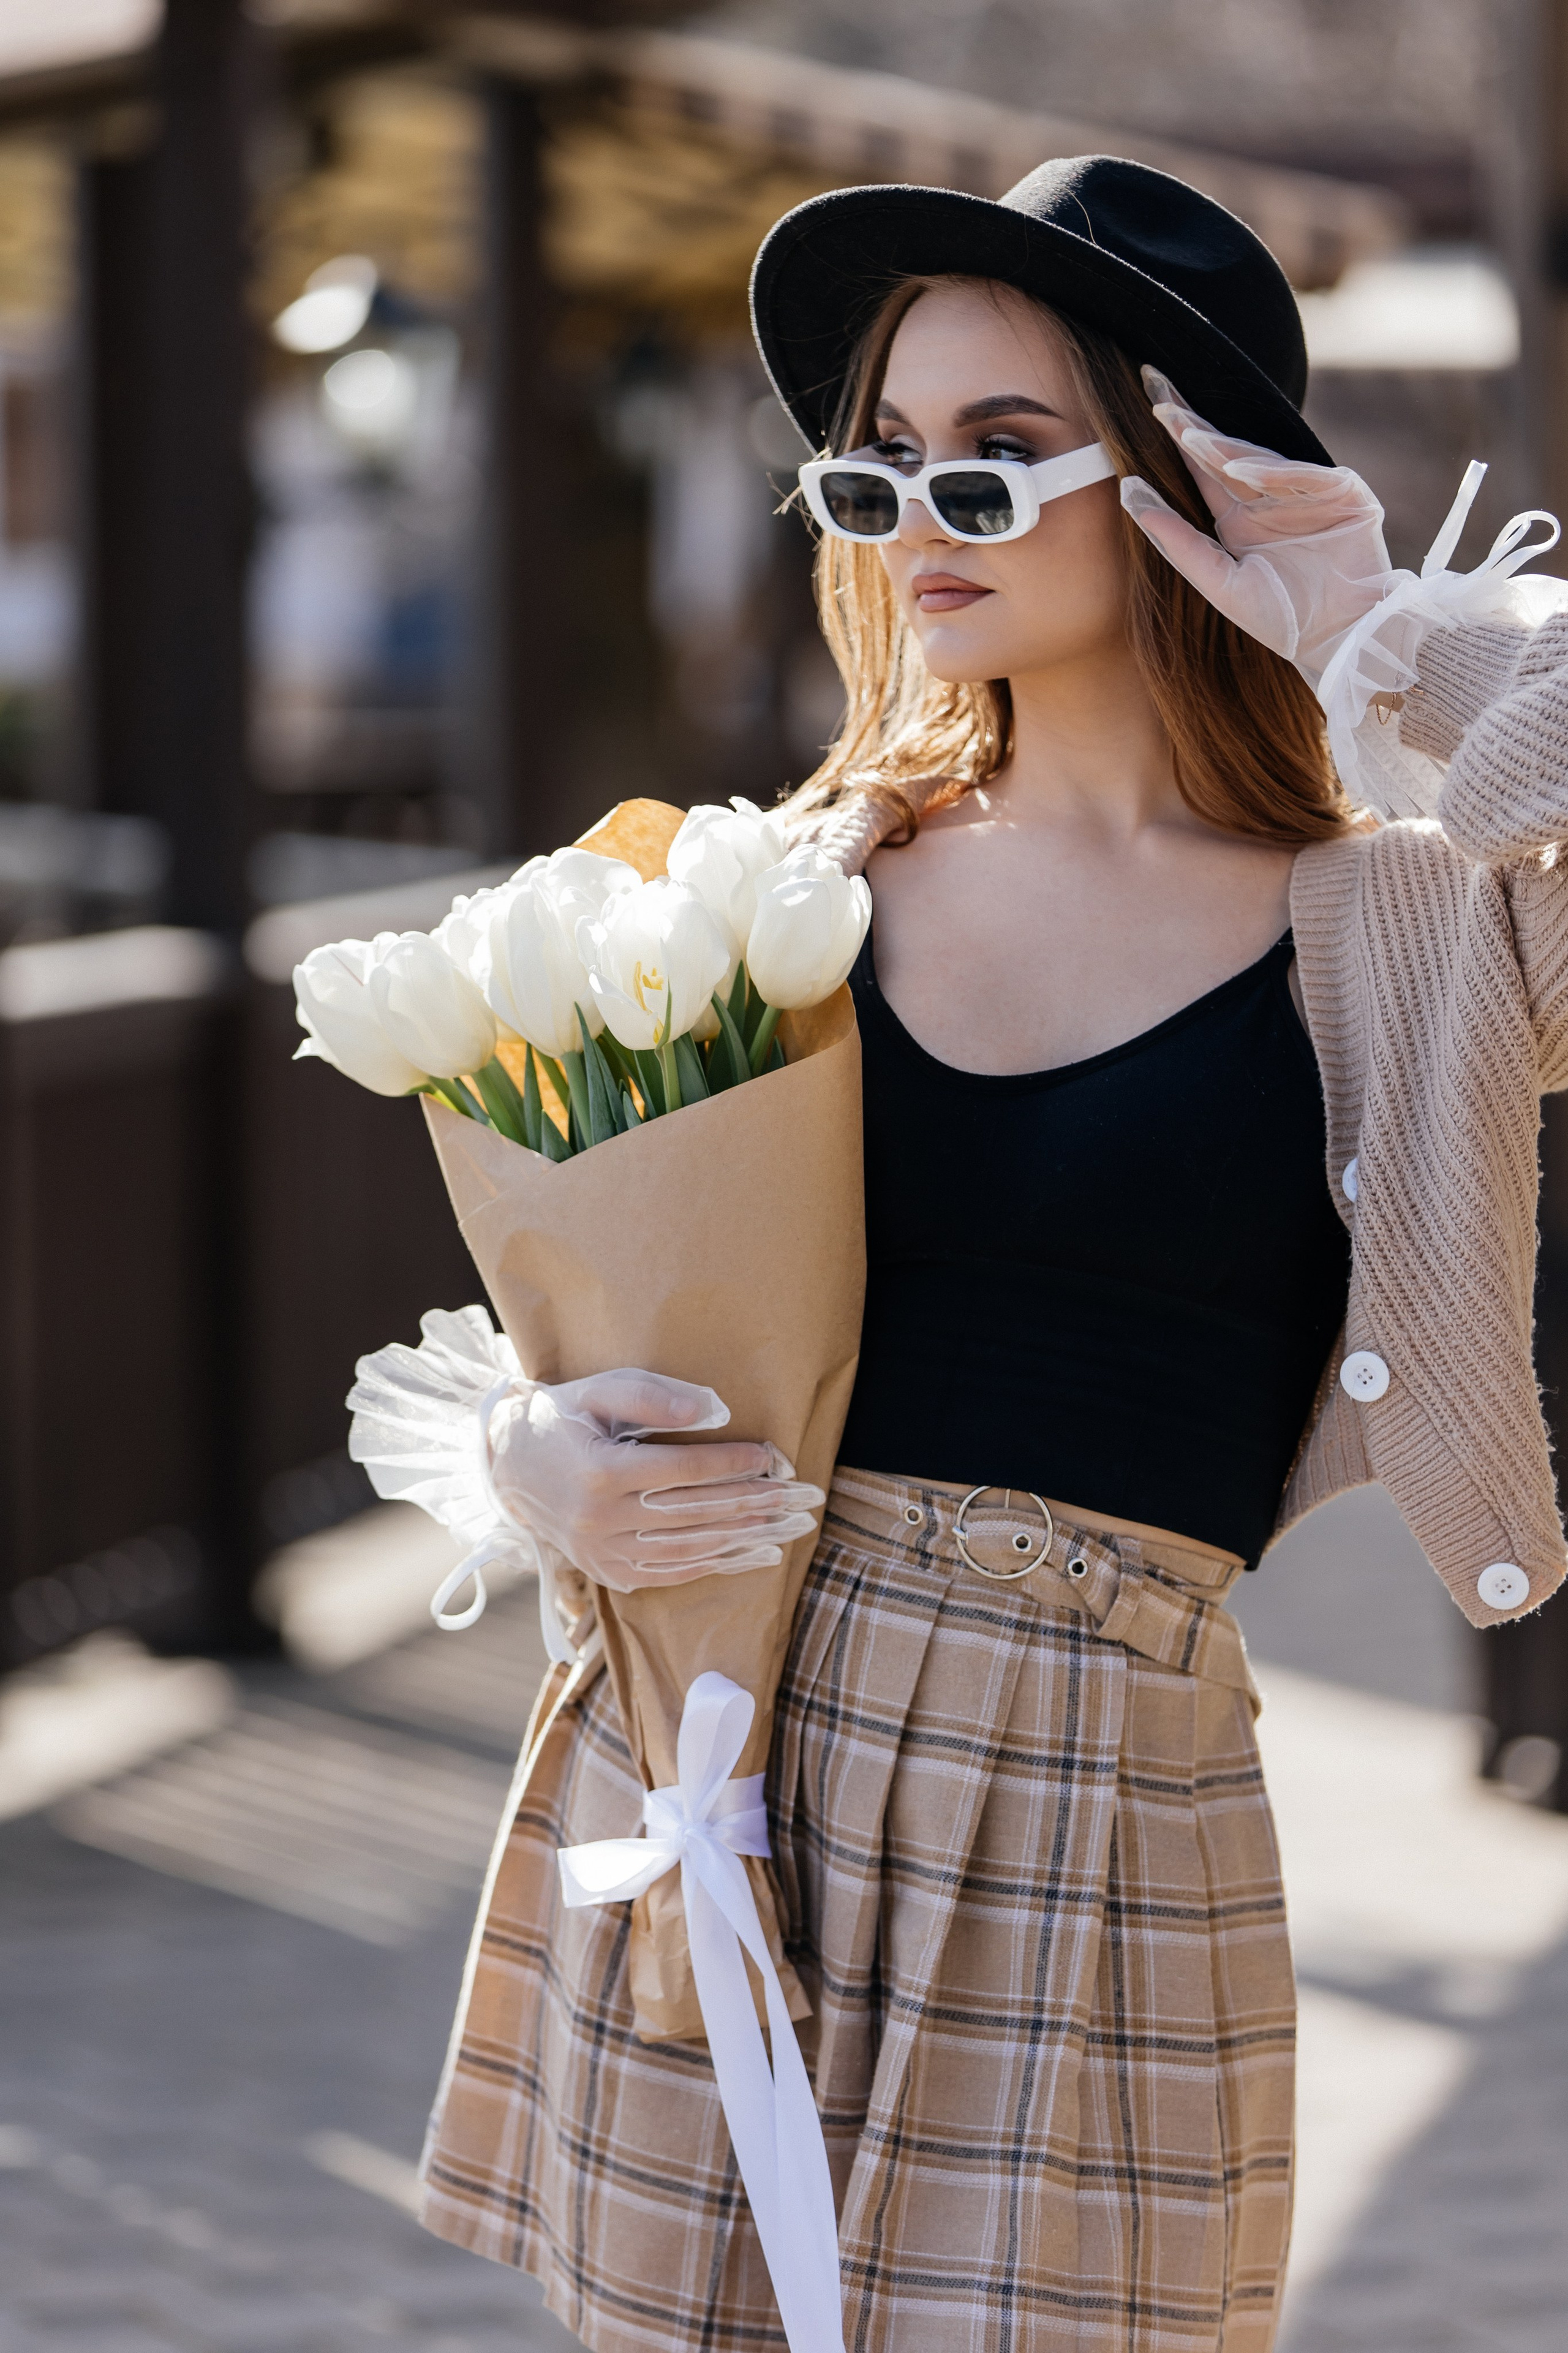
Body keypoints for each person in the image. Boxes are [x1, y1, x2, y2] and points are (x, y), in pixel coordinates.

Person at [415, 157, 1568, 2352]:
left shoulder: (1410, 926)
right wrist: (523, 1453)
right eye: (887, 467)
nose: (921, 515)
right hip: (726, 1756)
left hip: (1098, 1792)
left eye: (1002, 463)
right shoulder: (779, 895)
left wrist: (1375, 628)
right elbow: (546, 1311)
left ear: (1185, 479)